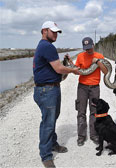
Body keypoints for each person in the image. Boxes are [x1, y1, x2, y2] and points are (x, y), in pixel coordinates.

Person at [33, 21, 80, 168]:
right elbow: (59, 68)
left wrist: (67, 66)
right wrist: (73, 70)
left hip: (49, 89)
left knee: (51, 120)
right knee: (48, 123)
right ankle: (46, 155)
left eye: (57, 32)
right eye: (52, 31)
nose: (55, 34)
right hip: (47, 91)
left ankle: (52, 144)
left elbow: (56, 69)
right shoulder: (47, 46)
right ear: (44, 31)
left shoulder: (44, 46)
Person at [75, 37, 108, 146]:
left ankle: (94, 135)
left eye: (90, 48)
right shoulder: (80, 56)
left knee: (94, 112)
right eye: (86, 48)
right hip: (82, 87)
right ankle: (81, 136)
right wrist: (71, 65)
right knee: (81, 111)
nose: (88, 50)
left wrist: (98, 62)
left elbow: (105, 72)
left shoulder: (99, 56)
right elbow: (76, 71)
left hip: (94, 87)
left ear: (93, 45)